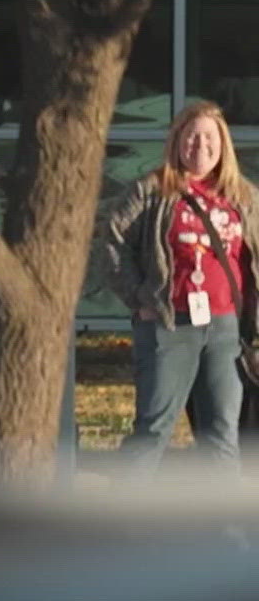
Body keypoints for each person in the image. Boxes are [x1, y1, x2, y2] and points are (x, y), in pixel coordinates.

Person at [98, 100, 258, 483]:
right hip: (169, 326)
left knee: (222, 435)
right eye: (191, 136)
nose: (200, 145)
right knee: (154, 429)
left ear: (223, 145)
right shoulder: (152, 190)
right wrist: (141, 298)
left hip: (226, 329)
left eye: (209, 137)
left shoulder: (243, 196)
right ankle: (123, 522)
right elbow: (111, 243)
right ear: (176, 142)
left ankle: (223, 531)